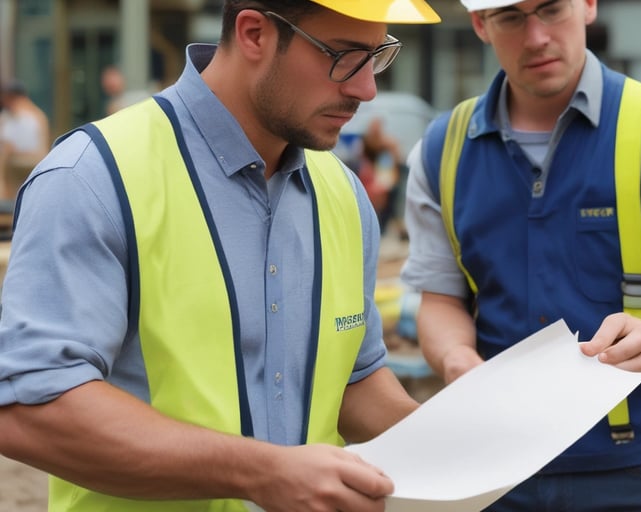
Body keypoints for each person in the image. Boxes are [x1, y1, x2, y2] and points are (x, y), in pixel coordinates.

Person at [0, 1, 440, 511]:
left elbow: (352, 380)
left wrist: (457, 451)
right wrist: (259, 472)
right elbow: (29, 408)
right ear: (254, 33)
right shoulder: (92, 177)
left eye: (377, 57)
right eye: (343, 57)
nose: (367, 89)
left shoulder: (341, 192)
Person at [401, 0, 641, 510]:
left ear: (588, 4)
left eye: (551, 9)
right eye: (511, 17)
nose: (537, 36)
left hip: (634, 473)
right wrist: (457, 361)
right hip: (493, 467)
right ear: (480, 24)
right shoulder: (443, 148)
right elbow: (440, 298)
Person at [0, 80, 50, 199]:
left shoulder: (21, 116)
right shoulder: (38, 114)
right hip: (36, 168)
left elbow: (10, 146)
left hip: (22, 168)